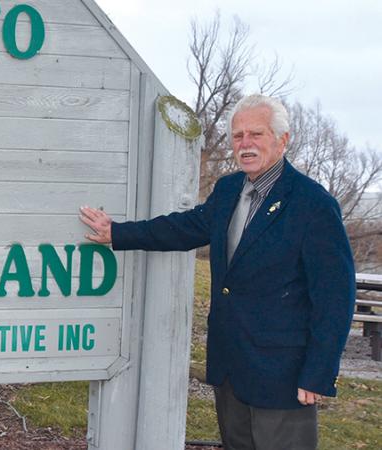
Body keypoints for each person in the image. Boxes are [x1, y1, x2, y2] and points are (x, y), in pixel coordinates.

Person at [79, 94, 354, 449]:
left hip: (283, 376)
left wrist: (318, 373)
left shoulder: (313, 205)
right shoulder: (228, 190)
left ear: (282, 140)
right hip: (231, 368)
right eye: (238, 136)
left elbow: (335, 297)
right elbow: (184, 228)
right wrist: (117, 233)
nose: (245, 144)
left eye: (256, 134)